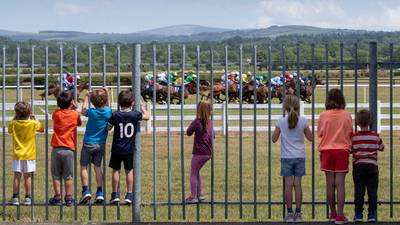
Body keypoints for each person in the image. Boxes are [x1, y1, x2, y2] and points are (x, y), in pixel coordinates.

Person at [272, 95, 313, 222]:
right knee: (298, 185)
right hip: (299, 156)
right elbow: (311, 138)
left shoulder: (281, 121)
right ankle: (299, 214)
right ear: (298, 106)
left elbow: (274, 139)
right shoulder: (303, 120)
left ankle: (289, 214)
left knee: (288, 185)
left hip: (286, 157)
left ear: (284, 107)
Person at [107, 90, 149, 204]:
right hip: (129, 149)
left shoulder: (115, 115)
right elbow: (147, 116)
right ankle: (129, 195)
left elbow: (108, 128)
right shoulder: (135, 115)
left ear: (119, 102)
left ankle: (115, 194)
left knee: (115, 170)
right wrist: (141, 106)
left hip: (116, 148)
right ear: (132, 103)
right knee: (129, 171)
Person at [318, 88, 353, 224]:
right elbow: (350, 132)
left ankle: (332, 213)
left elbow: (320, 133)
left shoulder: (323, 115)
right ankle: (340, 215)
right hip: (342, 151)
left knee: (330, 184)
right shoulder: (346, 115)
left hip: (327, 151)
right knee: (340, 184)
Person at [79, 88, 112, 205]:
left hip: (88, 143)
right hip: (100, 144)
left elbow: (83, 111)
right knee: (97, 167)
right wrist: (107, 93)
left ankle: (86, 190)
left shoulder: (92, 112)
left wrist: (87, 97)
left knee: (84, 167)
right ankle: (99, 192)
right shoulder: (108, 112)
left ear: (93, 102)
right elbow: (108, 105)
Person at [8, 102, 44, 205]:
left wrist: (15, 117)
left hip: (17, 154)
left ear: (16, 113)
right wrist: (34, 118)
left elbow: (9, 130)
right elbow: (41, 129)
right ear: (29, 113)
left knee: (17, 176)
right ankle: (28, 197)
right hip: (29, 154)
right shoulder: (32, 123)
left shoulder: (14, 123)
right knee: (28, 176)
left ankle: (15, 197)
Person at [351, 109, 384, 223]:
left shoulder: (354, 137)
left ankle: (359, 214)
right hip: (372, 167)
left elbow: (351, 150)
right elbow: (382, 147)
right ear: (370, 122)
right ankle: (371, 214)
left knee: (359, 191)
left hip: (358, 167)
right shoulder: (375, 136)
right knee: (372, 192)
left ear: (357, 122)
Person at [50, 91, 82, 206]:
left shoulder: (56, 114)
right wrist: (74, 109)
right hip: (69, 149)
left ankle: (57, 197)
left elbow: (55, 115)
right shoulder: (75, 115)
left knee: (56, 174)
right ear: (71, 102)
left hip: (57, 148)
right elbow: (79, 123)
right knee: (68, 175)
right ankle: (68, 198)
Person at [186, 101, 214, 203]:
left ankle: (193, 196)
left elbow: (188, 132)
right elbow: (213, 136)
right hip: (209, 152)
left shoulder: (197, 121)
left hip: (199, 152)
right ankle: (200, 194)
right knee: (197, 171)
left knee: (193, 173)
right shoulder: (210, 122)